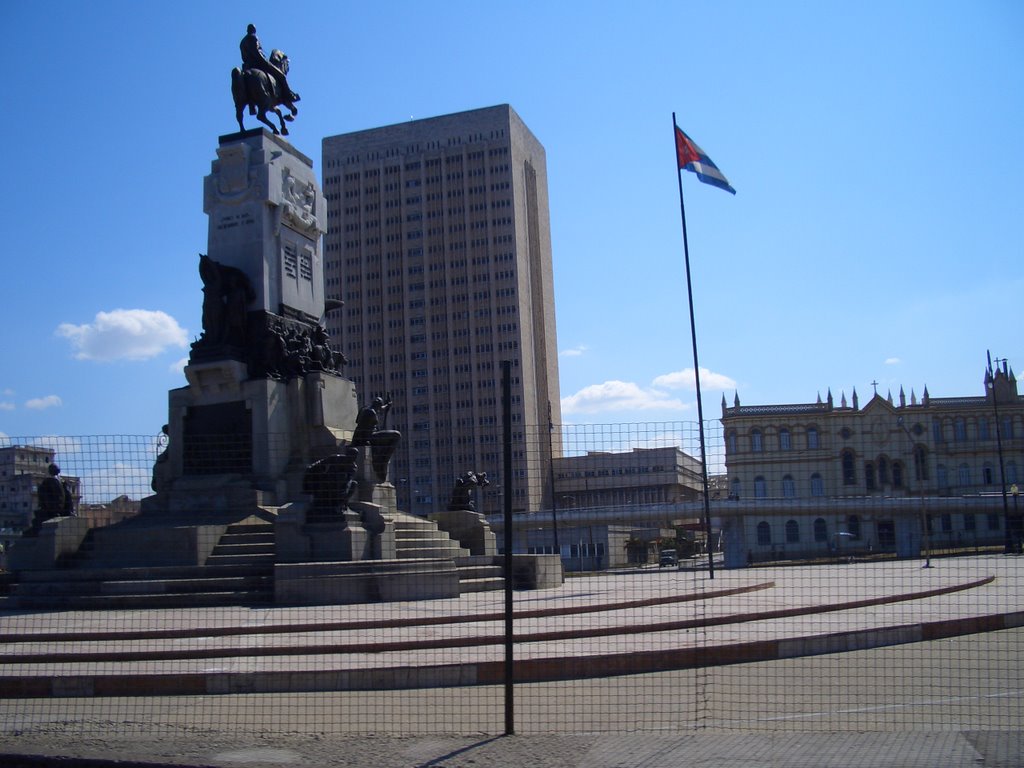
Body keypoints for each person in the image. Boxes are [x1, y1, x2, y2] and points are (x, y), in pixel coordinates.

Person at [239, 24, 297, 104]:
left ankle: (252, 106)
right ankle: (289, 95)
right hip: (259, 63)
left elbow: (243, 57)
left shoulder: (242, 42)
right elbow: (256, 52)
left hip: (247, 66)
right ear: (254, 30)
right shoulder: (254, 37)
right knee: (281, 76)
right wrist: (263, 59)